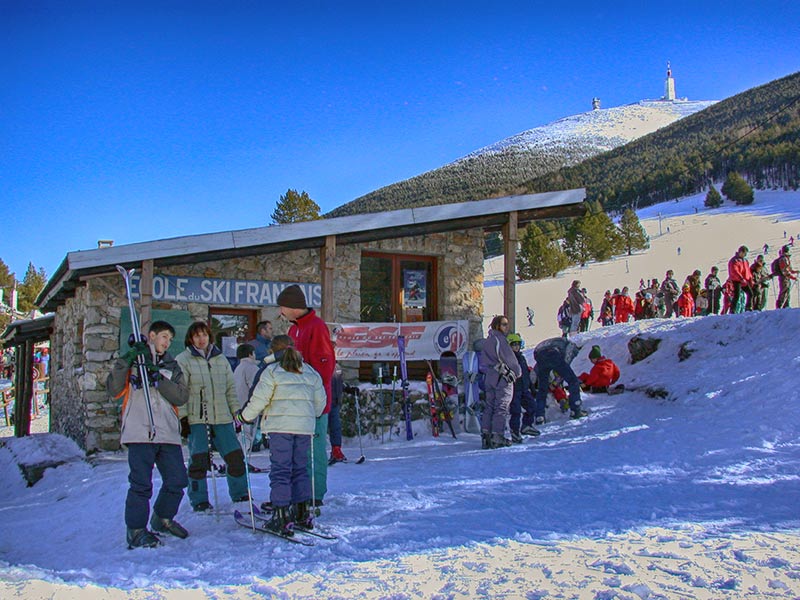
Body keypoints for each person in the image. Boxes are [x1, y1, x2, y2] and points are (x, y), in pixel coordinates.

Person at [107, 320, 190, 549]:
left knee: (177, 479)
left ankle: (162, 517)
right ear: (151, 336)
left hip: (167, 431)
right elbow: (114, 389)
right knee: (141, 484)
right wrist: (128, 359)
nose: (167, 342)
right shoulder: (133, 361)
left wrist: (158, 379)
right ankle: (135, 530)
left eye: (170, 339)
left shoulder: (172, 366)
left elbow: (181, 396)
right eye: (164, 337)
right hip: (139, 431)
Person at [237, 335, 326, 535]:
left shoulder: (272, 372)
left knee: (281, 470)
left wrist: (244, 418)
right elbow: (320, 403)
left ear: (272, 351)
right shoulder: (310, 371)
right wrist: (310, 414)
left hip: (280, 428)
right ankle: (302, 512)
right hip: (303, 427)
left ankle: (281, 515)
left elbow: (259, 401)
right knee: (300, 469)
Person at [176, 321, 249, 512]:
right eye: (197, 335)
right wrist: (183, 417)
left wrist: (236, 413)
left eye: (204, 335)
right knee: (199, 460)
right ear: (191, 338)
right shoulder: (183, 360)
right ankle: (199, 498)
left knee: (234, 456)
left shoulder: (220, 359)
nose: (201, 339)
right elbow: (180, 390)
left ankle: (240, 492)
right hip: (198, 417)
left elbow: (230, 389)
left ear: (210, 336)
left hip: (222, 416)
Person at [277, 284, 335, 508]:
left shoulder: (316, 327)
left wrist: (314, 396)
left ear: (292, 306)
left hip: (314, 403)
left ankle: (315, 493)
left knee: (315, 449)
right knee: (298, 451)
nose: (281, 311)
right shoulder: (293, 330)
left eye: (283, 306)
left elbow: (324, 366)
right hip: (296, 404)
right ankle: (300, 493)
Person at [478, 315, 521, 449]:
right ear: (497, 325)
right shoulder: (500, 340)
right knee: (501, 407)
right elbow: (510, 359)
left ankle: (486, 435)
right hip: (502, 376)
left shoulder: (488, 340)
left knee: (489, 406)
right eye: (504, 324)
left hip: (489, 375)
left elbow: (484, 360)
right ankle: (498, 436)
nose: (506, 327)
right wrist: (517, 372)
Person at [532, 337, 586, 420]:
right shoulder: (570, 346)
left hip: (539, 355)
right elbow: (564, 367)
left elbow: (537, 366)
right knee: (573, 381)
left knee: (542, 389)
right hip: (553, 355)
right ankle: (575, 410)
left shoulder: (554, 342)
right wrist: (555, 383)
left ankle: (540, 416)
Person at [506, 333, 539, 441]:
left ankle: (527, 425)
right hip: (514, 389)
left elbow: (526, 373)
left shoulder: (521, 357)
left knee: (532, 406)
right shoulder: (508, 359)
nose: (516, 347)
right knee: (516, 411)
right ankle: (514, 431)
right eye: (513, 344)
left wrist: (532, 387)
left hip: (524, 388)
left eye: (518, 344)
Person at [233, 343, 265, 453]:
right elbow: (257, 388)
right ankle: (242, 462)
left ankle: (241, 460)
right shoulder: (252, 368)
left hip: (238, 406)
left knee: (241, 435)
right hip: (248, 407)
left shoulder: (238, 368)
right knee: (247, 436)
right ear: (251, 354)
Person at [328, 362, 347, 465]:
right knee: (319, 430)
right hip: (323, 402)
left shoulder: (337, 366)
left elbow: (340, 382)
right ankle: (317, 453)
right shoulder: (321, 363)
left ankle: (336, 450)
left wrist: (348, 389)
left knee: (336, 427)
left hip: (335, 402)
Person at [727, 245, 753, 314]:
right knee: (737, 295)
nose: (745, 255)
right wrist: (740, 278)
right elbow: (734, 271)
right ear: (741, 252)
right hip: (737, 280)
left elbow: (748, 271)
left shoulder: (745, 260)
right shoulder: (734, 260)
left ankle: (748, 308)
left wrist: (750, 279)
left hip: (744, 280)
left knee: (750, 293)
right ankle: (732, 310)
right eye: (744, 253)